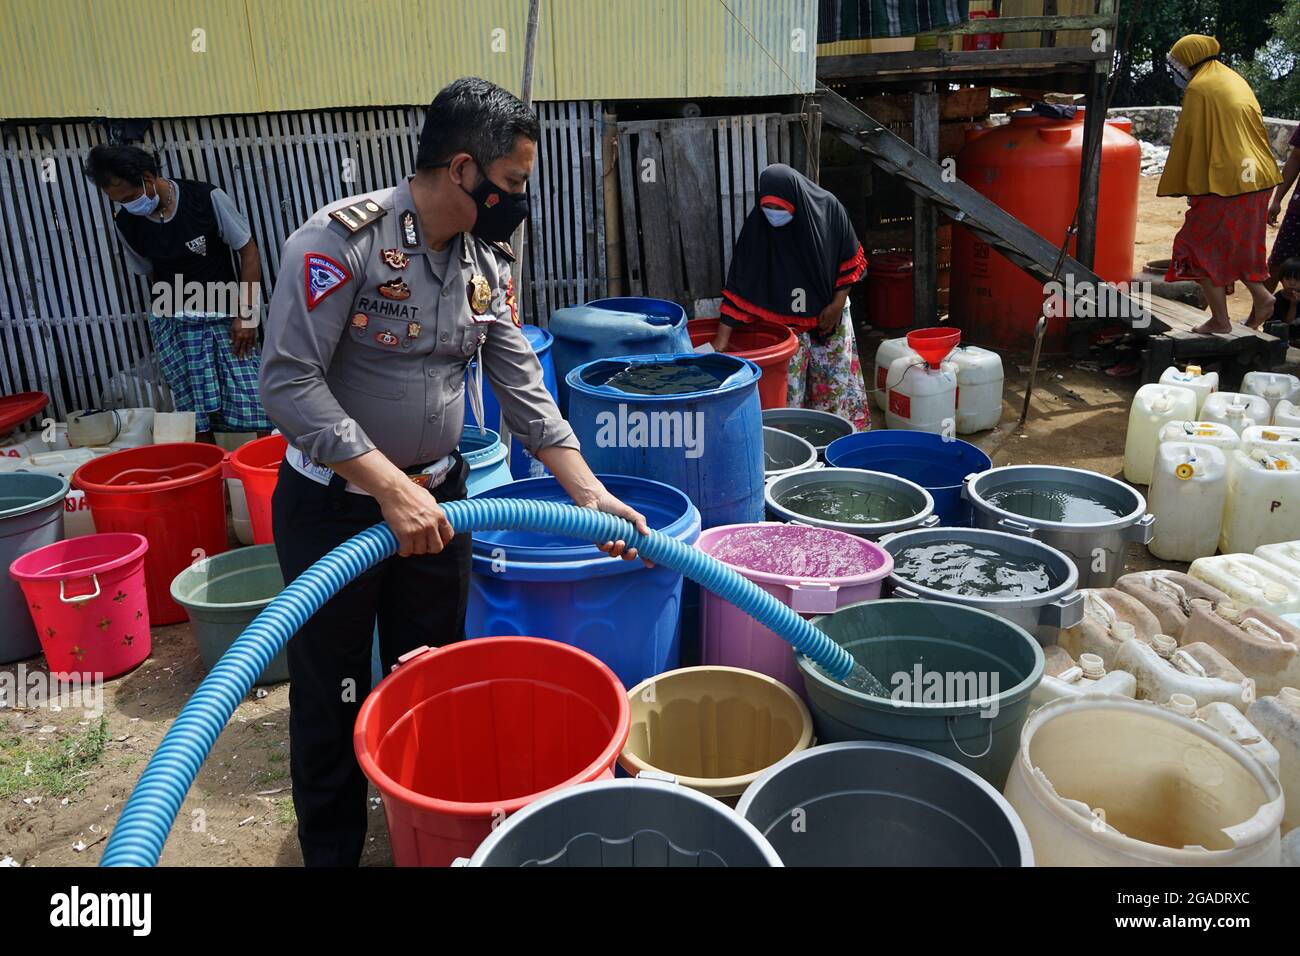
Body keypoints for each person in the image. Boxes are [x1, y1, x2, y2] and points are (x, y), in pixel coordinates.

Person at [259, 76, 648, 866]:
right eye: (512, 185)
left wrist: (592, 494)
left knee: (430, 675)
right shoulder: (340, 244)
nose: (520, 202)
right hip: (336, 507)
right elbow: (286, 383)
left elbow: (523, 391)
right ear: (462, 168)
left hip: (440, 500)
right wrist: (390, 489)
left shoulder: (488, 263)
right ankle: (333, 854)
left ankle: (425, 833)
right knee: (332, 691)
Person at [84, 145, 269, 438]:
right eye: (118, 201)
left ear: (147, 177)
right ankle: (210, 472)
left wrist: (246, 316)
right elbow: (152, 274)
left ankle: (259, 466)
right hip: (175, 327)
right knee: (194, 414)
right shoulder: (127, 222)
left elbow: (248, 252)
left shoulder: (206, 198)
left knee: (253, 404)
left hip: (225, 319)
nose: (127, 206)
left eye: (130, 198)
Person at [709, 164, 870, 429]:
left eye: (780, 209)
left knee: (833, 392)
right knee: (789, 399)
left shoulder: (828, 210)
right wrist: (721, 341)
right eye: (768, 208)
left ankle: (833, 445)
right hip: (787, 332)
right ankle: (797, 449)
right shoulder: (759, 229)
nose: (773, 215)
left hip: (830, 318)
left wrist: (836, 303)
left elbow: (849, 260)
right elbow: (741, 285)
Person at [1156, 35, 1282, 334]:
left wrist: (1193, 187)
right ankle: (1262, 297)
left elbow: (1193, 142)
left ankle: (1221, 320)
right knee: (1235, 245)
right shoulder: (1231, 78)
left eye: (1176, 64)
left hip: (1229, 182)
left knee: (1193, 247)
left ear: (1188, 60)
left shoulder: (1200, 88)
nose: (1176, 71)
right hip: (1257, 176)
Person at [1267, 127, 1300, 291]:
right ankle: (1258, 315)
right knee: (1277, 263)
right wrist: (1277, 200)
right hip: (1298, 212)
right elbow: (1296, 157)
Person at [1269, 257, 1300, 330]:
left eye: (1297, 280)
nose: (1292, 283)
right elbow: (1286, 326)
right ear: (1281, 279)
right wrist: (1293, 305)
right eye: (1288, 279)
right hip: (1280, 336)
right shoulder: (1276, 300)